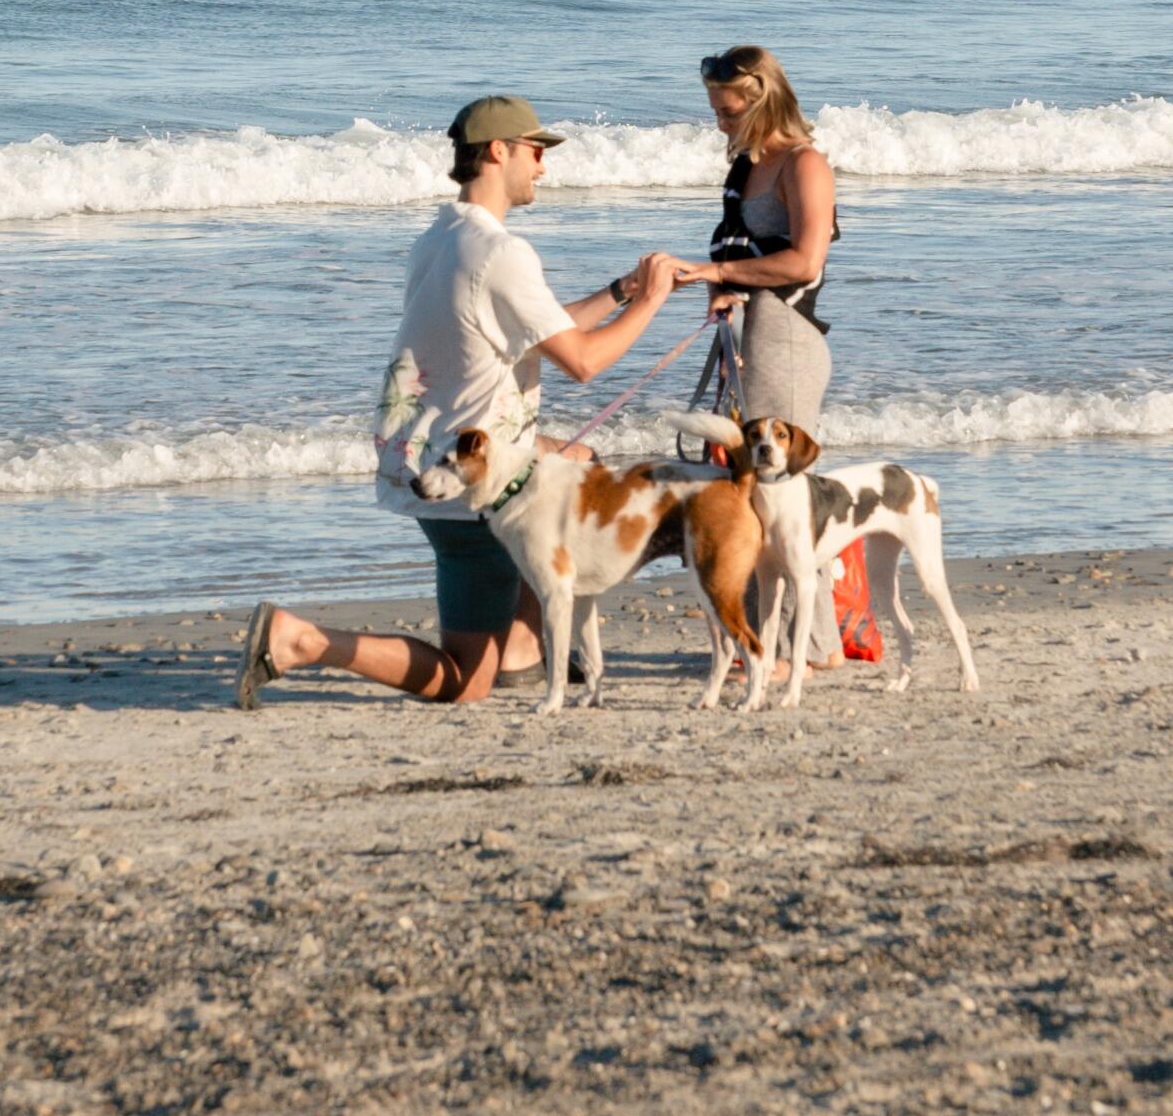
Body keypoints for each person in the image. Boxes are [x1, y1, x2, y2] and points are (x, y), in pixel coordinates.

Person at [236, 94, 679, 708]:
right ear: (498, 151)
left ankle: (522, 651)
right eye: (535, 151)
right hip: (469, 482)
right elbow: (582, 361)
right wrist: (653, 302)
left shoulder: (441, 238)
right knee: (463, 684)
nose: (543, 165)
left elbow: (537, 331)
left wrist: (620, 293)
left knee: (577, 460)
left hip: (420, 450)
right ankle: (302, 641)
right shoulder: (501, 252)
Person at [666, 45, 846, 666]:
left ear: (763, 100)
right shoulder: (747, 165)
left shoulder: (804, 163)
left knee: (779, 498)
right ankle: (791, 645)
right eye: (715, 109)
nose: (718, 121)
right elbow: (741, 252)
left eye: (728, 110)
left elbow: (805, 262)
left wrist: (718, 271)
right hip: (751, 333)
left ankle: (806, 647)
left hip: (789, 337)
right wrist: (721, 288)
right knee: (752, 491)